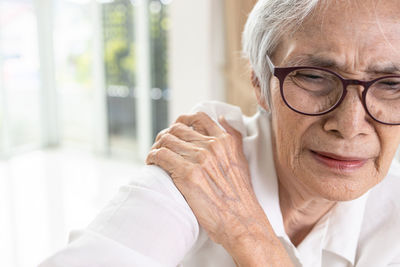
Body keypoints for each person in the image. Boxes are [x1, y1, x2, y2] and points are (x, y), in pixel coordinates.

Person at [40, 0, 400, 266]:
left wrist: (249, 235)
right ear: (259, 83)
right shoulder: (201, 160)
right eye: (314, 77)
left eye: (391, 84)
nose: (350, 124)